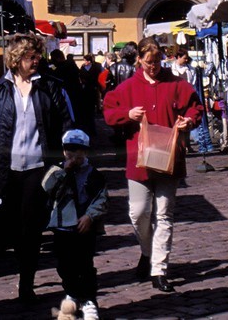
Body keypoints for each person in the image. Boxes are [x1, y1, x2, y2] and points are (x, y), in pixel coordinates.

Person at [0, 33, 74, 302]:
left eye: (38, 56)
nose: (36, 60)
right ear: (16, 60)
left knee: (31, 227)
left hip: (38, 168)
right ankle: (23, 266)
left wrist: (69, 153)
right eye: (31, 56)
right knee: (12, 227)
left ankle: (26, 280)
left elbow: (66, 123)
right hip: (7, 168)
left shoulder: (49, 86)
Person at [103, 36, 204, 293]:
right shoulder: (128, 87)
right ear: (139, 60)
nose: (153, 66)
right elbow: (108, 111)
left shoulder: (176, 83)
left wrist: (188, 122)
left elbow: (195, 108)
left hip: (169, 158)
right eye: (148, 62)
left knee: (164, 214)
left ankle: (159, 269)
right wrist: (128, 115)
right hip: (139, 160)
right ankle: (147, 252)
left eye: (157, 60)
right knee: (138, 213)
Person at [44, 128, 107, 320]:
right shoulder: (57, 170)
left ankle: (89, 300)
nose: (73, 154)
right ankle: (71, 294)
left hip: (84, 228)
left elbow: (101, 198)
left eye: (78, 149)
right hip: (63, 227)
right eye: (69, 149)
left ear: (86, 152)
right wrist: (65, 171)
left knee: (85, 265)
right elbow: (47, 188)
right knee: (65, 265)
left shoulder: (94, 174)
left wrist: (90, 216)